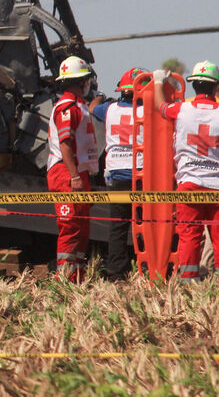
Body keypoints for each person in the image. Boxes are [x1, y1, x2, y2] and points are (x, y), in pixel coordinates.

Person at [152, 61, 219, 282]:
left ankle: (189, 280)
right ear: (216, 86)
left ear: (194, 85)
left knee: (189, 235)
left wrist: (158, 81)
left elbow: (160, 107)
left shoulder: (181, 109)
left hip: (189, 184)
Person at [47, 55, 99, 281]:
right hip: (67, 173)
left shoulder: (79, 106)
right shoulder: (67, 108)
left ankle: (76, 273)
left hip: (78, 173)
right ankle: (65, 277)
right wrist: (75, 176)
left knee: (81, 226)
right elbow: (65, 144)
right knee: (70, 226)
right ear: (80, 82)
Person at [91, 67, 145, 280]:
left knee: (118, 226)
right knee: (143, 223)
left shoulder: (109, 109)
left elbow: (92, 108)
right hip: (140, 174)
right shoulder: (145, 111)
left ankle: (116, 271)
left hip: (115, 175)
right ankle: (146, 268)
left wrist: (100, 96)